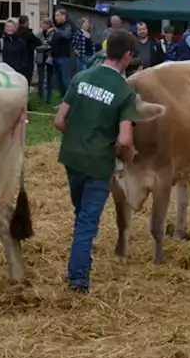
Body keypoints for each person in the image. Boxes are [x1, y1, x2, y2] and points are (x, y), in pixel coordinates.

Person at [53, 28, 138, 293]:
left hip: (72, 158)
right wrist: (129, 156)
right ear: (127, 56)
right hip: (98, 164)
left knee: (82, 216)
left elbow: (59, 120)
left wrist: (79, 137)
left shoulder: (81, 77)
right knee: (88, 223)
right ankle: (78, 280)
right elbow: (124, 140)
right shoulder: (125, 92)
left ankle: (81, 264)